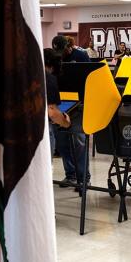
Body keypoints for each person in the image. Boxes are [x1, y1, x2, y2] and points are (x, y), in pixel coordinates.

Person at [51, 35, 90, 188]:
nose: (61, 55)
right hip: (62, 104)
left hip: (79, 105)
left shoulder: (81, 55)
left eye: (63, 51)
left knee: (78, 141)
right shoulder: (56, 58)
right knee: (62, 142)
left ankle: (83, 178)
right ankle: (70, 175)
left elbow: (88, 78)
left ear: (69, 47)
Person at [43, 48, 71, 154]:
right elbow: (52, 112)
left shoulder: (25, 75)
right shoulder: (49, 78)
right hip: (41, 130)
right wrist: (65, 122)